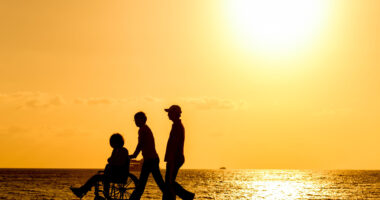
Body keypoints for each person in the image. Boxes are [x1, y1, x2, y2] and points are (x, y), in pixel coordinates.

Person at [70, 133, 130, 198]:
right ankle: (84, 191)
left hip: (119, 175)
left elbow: (120, 163)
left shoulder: (123, 150)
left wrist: (111, 161)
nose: (111, 144)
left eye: (112, 142)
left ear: (116, 142)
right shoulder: (115, 150)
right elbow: (112, 160)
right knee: (100, 176)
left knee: (96, 177)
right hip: (113, 173)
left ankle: (82, 191)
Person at [129, 112, 168, 200]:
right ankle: (170, 195)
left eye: (136, 120)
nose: (135, 122)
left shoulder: (143, 130)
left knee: (142, 184)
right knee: (158, 182)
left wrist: (134, 155)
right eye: (134, 120)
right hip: (152, 159)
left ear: (142, 120)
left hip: (150, 160)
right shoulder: (145, 129)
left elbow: (140, 144)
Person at [164, 105, 195, 200]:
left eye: (170, 113)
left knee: (169, 182)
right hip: (174, 158)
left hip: (174, 158)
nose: (168, 115)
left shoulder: (177, 127)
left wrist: (171, 161)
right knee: (169, 183)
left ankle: (187, 196)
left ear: (175, 114)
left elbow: (174, 146)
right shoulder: (176, 125)